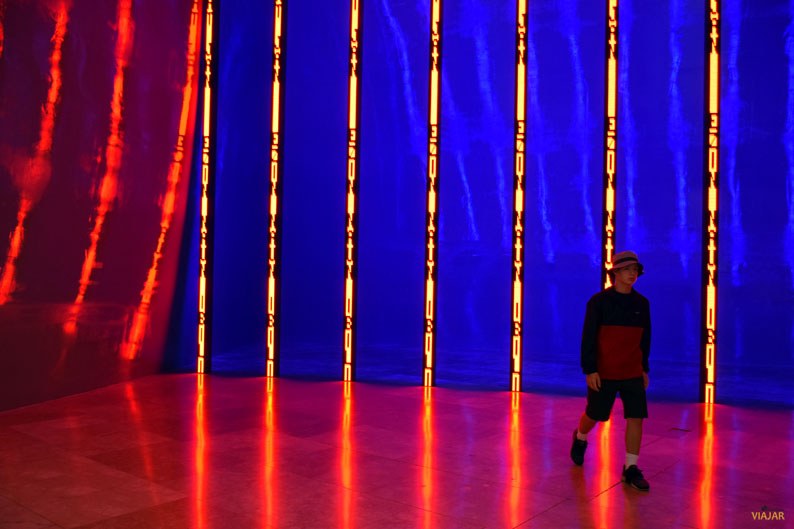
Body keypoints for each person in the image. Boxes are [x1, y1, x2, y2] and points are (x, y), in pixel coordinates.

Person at [569, 250, 651, 492]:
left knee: (636, 417)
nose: (632, 273)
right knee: (595, 415)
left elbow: (645, 339)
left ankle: (630, 468)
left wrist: (644, 368)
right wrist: (590, 369)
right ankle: (580, 437)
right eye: (627, 269)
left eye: (635, 270)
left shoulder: (642, 304)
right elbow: (588, 338)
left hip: (633, 371)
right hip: (604, 372)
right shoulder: (599, 302)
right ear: (615, 272)